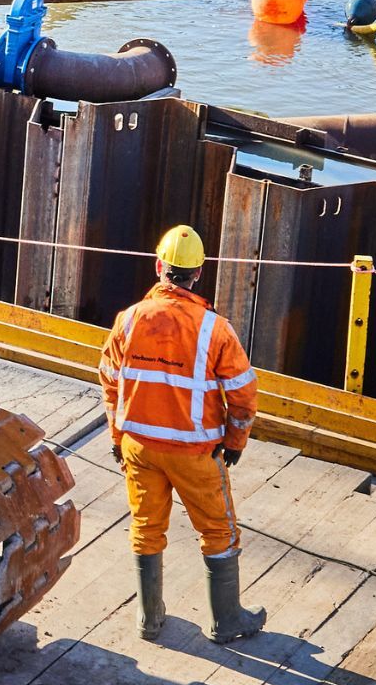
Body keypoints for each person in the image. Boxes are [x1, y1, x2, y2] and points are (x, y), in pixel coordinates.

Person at [99, 226, 265, 644]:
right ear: (198, 274)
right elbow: (243, 396)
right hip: (193, 451)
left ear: (159, 267)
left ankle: (148, 619)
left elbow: (110, 382)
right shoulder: (215, 330)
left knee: (146, 526)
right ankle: (226, 622)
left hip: (138, 447)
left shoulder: (129, 319)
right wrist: (235, 441)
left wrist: (117, 437)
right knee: (218, 532)